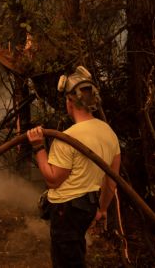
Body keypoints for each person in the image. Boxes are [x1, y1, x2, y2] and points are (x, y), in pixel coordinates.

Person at [27, 66, 121, 268]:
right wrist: (102, 209)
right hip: (88, 206)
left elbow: (52, 180)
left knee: (66, 261)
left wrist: (38, 146)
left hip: (65, 210)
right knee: (75, 253)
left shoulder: (67, 138)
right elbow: (111, 181)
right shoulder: (109, 133)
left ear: (70, 102)